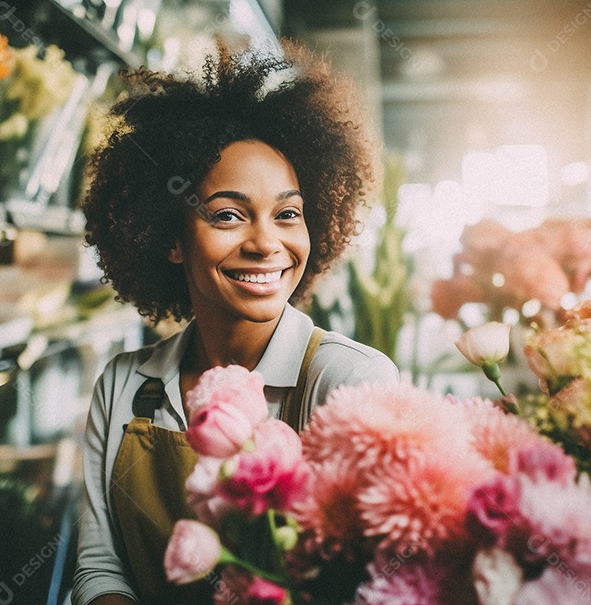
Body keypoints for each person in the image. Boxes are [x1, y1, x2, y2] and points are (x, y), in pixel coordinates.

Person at [72, 42, 399, 605]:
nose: (267, 243)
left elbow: (382, 584)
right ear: (171, 239)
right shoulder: (124, 387)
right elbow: (100, 567)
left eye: (288, 214)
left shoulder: (349, 385)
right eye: (227, 215)